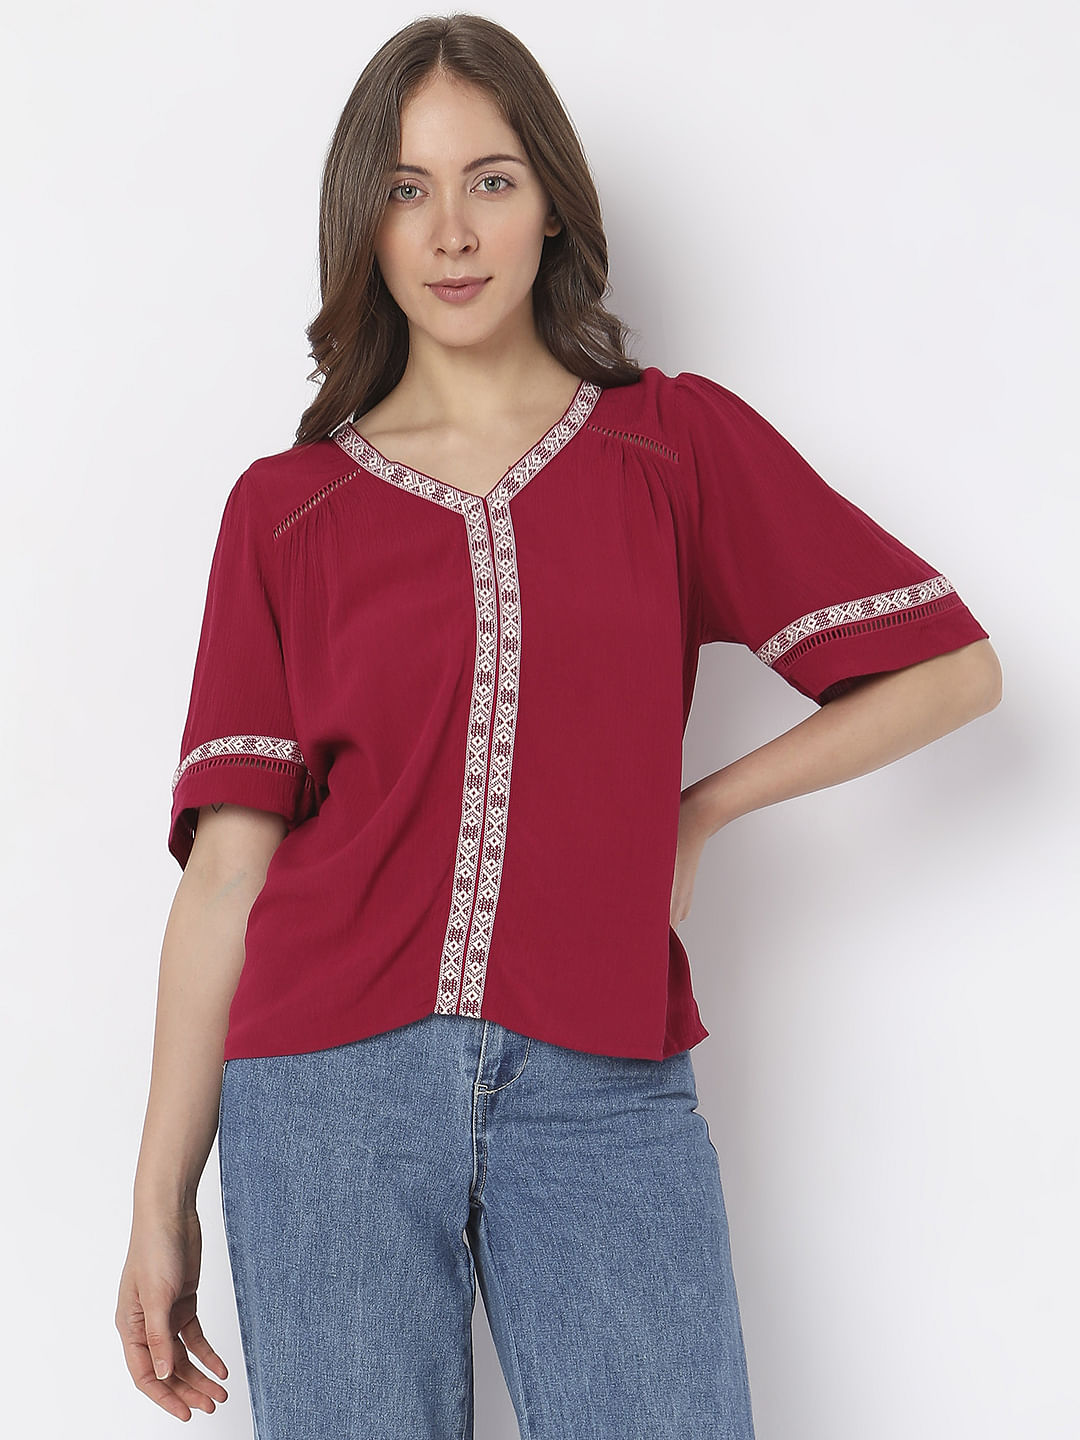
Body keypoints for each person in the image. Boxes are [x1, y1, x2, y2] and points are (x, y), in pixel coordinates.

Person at [115, 13, 1002, 1438]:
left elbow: (949, 670)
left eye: (492, 179)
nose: (453, 232)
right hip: (325, 1096)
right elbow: (227, 871)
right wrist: (160, 1204)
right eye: (407, 190)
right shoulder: (287, 512)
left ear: (551, 206)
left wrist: (701, 809)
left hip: (602, 1077)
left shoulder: (672, 445)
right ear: (363, 224)